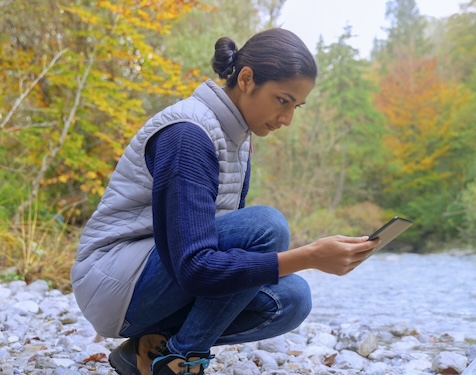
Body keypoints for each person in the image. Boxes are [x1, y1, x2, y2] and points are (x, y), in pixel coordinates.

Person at [71, 28, 379, 375]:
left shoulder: (237, 138)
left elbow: (223, 262)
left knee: (292, 299)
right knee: (267, 226)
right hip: (116, 284)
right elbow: (196, 267)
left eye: (296, 106)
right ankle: (182, 360)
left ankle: (150, 350)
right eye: (282, 100)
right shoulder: (188, 133)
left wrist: (304, 260)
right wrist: (309, 256)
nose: (287, 119)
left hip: (156, 277)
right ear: (246, 79)